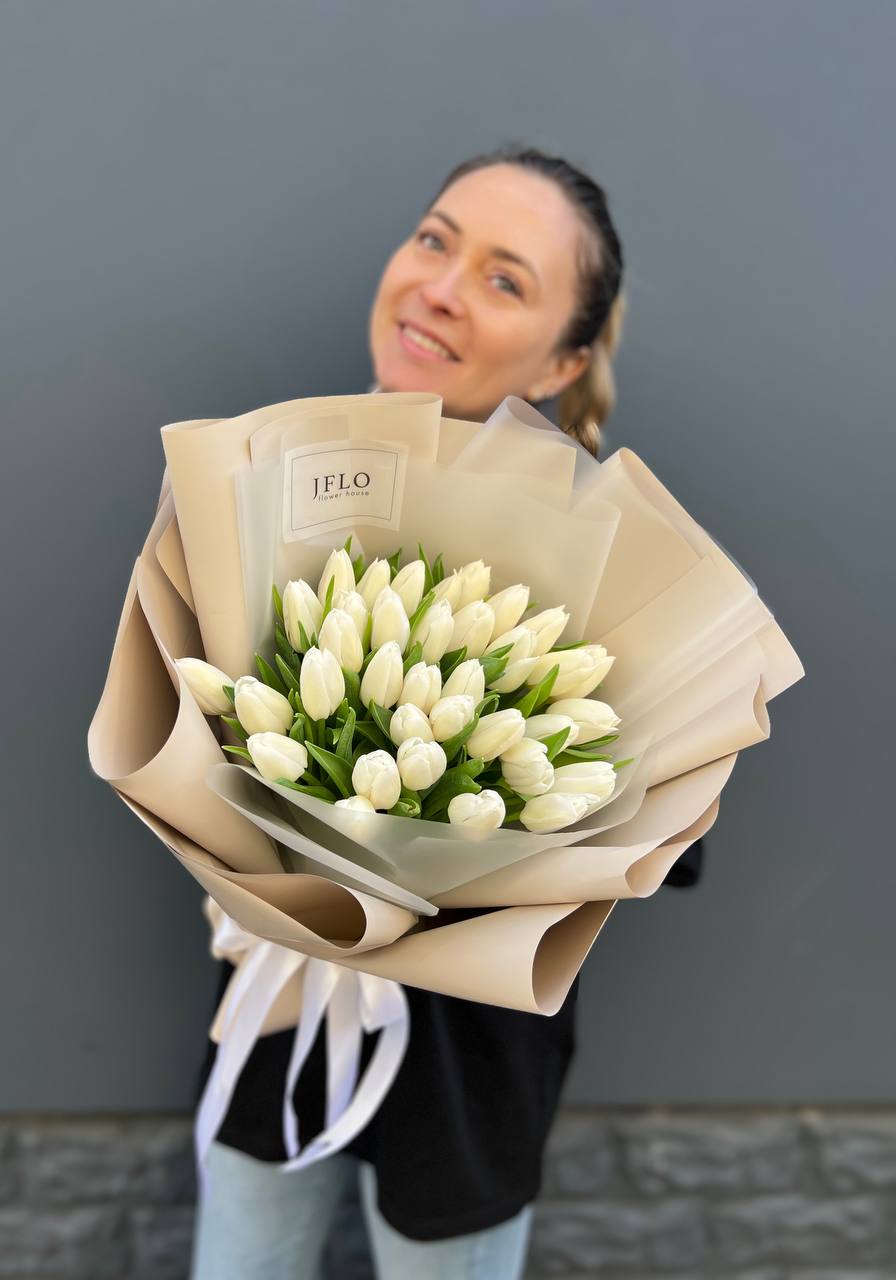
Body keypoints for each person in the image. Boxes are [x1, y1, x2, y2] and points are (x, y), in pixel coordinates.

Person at [189, 144, 703, 1279]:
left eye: (504, 278)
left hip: (469, 1065)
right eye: (435, 240)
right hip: (278, 998)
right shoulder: (272, 480)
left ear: (568, 358)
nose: (441, 287)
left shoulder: (605, 547)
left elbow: (672, 834)